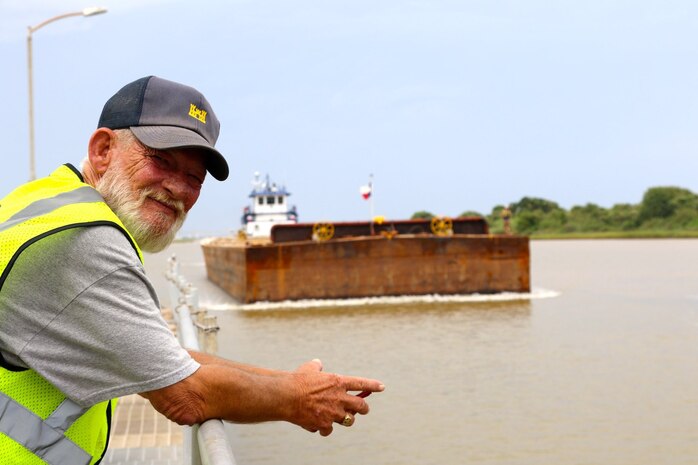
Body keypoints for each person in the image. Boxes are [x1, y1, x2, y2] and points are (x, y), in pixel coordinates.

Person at [0, 76, 384, 464]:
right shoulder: (85, 242)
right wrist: (298, 400)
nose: (178, 189)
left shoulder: (45, 203)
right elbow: (185, 394)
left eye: (194, 177)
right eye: (160, 160)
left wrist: (289, 381)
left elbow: (165, 358)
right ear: (103, 150)